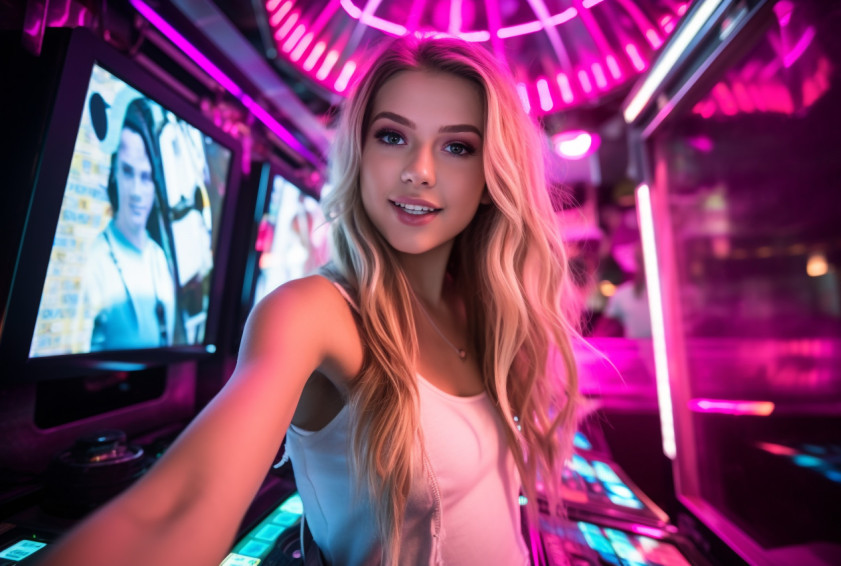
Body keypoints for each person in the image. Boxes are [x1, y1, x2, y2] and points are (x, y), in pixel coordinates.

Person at [41, 35, 581, 566]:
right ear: (359, 154)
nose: (420, 170)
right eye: (393, 137)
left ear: (491, 178)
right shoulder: (310, 313)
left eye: (457, 146)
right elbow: (175, 514)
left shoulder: (485, 309)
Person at [80, 97, 176, 351]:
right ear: (114, 174)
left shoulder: (159, 259)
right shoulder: (95, 258)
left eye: (145, 178)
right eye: (128, 171)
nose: (136, 191)